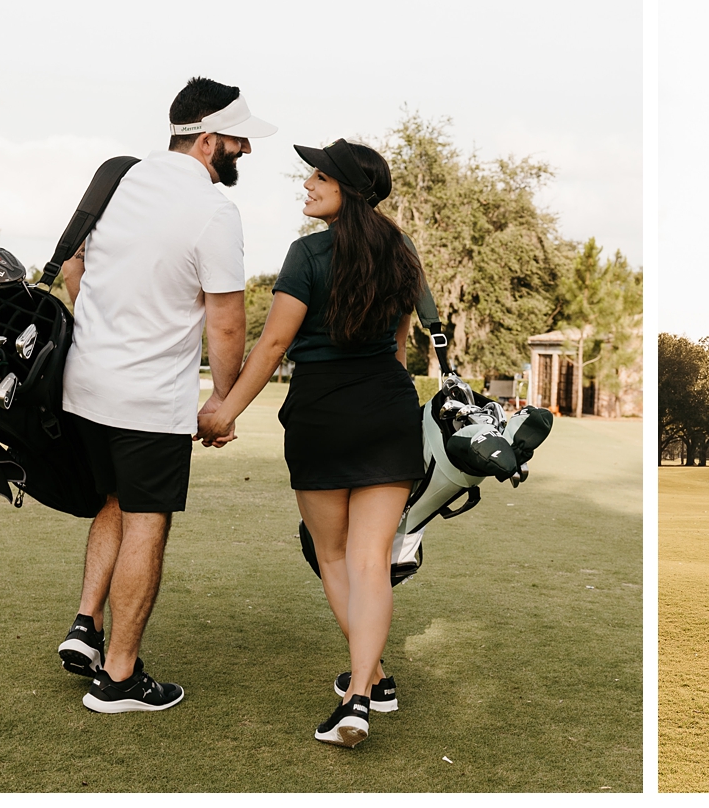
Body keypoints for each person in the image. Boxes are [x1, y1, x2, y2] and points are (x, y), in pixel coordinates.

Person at [197, 138, 433, 748]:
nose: (306, 184)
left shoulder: (306, 253)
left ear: (348, 189)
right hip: (388, 408)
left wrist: (224, 412)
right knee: (370, 560)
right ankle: (367, 684)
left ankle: (364, 688)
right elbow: (402, 348)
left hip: (323, 414)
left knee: (333, 557)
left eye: (318, 176)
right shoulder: (402, 253)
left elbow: (273, 346)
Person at [55, 77, 276, 712]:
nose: (246, 152)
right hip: (148, 398)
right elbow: (227, 322)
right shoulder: (214, 210)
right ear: (209, 140)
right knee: (148, 520)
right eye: (238, 141)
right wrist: (224, 404)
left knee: (115, 502)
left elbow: (74, 266)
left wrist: (101, 331)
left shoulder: (120, 178)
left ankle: (86, 624)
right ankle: (120, 679)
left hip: (84, 383)